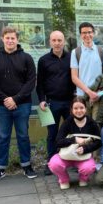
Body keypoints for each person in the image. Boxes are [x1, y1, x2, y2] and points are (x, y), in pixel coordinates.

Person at [0, 26, 37, 182]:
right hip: (1, 106)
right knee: (3, 136)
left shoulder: (26, 58)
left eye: (13, 38)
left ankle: (26, 165)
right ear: (2, 39)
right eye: (7, 38)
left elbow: (31, 81)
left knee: (23, 135)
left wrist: (15, 99)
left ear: (17, 39)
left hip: (22, 104)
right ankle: (0, 168)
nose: (10, 41)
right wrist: (5, 99)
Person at [37, 30, 75, 176]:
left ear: (64, 41)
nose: (57, 43)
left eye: (60, 40)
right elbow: (39, 83)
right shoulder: (43, 60)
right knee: (52, 134)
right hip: (51, 103)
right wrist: (41, 100)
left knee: (72, 133)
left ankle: (74, 161)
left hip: (70, 103)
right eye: (54, 40)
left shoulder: (71, 58)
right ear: (50, 42)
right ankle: (51, 163)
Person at [48, 97, 102, 190]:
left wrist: (85, 149)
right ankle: (64, 179)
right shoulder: (67, 122)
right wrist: (74, 139)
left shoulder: (92, 123)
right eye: (75, 108)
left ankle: (84, 178)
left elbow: (98, 142)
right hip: (67, 155)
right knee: (54, 164)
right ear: (71, 110)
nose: (79, 111)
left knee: (89, 167)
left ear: (86, 108)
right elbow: (58, 142)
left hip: (83, 156)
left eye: (81, 108)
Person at [71, 22, 103, 119]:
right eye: (84, 33)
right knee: (84, 127)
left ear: (93, 33)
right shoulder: (75, 52)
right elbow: (74, 77)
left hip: (99, 97)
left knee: (97, 126)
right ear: (81, 35)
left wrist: (98, 93)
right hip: (82, 97)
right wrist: (89, 93)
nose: (87, 35)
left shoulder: (102, 51)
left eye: (89, 32)